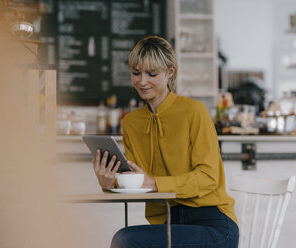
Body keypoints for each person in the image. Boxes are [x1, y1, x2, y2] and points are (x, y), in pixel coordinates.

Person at [92, 36, 239, 248]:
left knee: (126, 240)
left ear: (170, 72)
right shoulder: (132, 122)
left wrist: (154, 183)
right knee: (124, 237)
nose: (142, 81)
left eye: (151, 74)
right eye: (136, 73)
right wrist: (108, 182)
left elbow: (208, 178)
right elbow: (135, 178)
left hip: (213, 224)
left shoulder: (193, 111)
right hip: (168, 223)